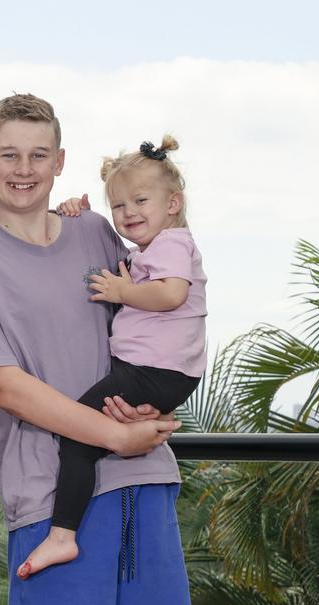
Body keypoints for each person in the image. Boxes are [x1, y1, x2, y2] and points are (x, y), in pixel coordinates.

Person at [0, 94, 191, 605]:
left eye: (38, 154)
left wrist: (158, 407)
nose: (23, 168)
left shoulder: (98, 232)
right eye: (8, 155)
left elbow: (170, 305)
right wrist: (113, 435)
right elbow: (4, 388)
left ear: (60, 162)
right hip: (53, 490)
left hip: (140, 472)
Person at [21, 136, 207, 577]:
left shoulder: (174, 245)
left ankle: (62, 535)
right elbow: (129, 267)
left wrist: (122, 292)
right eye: (119, 206)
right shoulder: (152, 250)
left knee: (78, 434)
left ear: (173, 203)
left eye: (141, 200)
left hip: (155, 372)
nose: (129, 214)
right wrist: (74, 213)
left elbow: (171, 293)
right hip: (154, 372)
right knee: (97, 431)